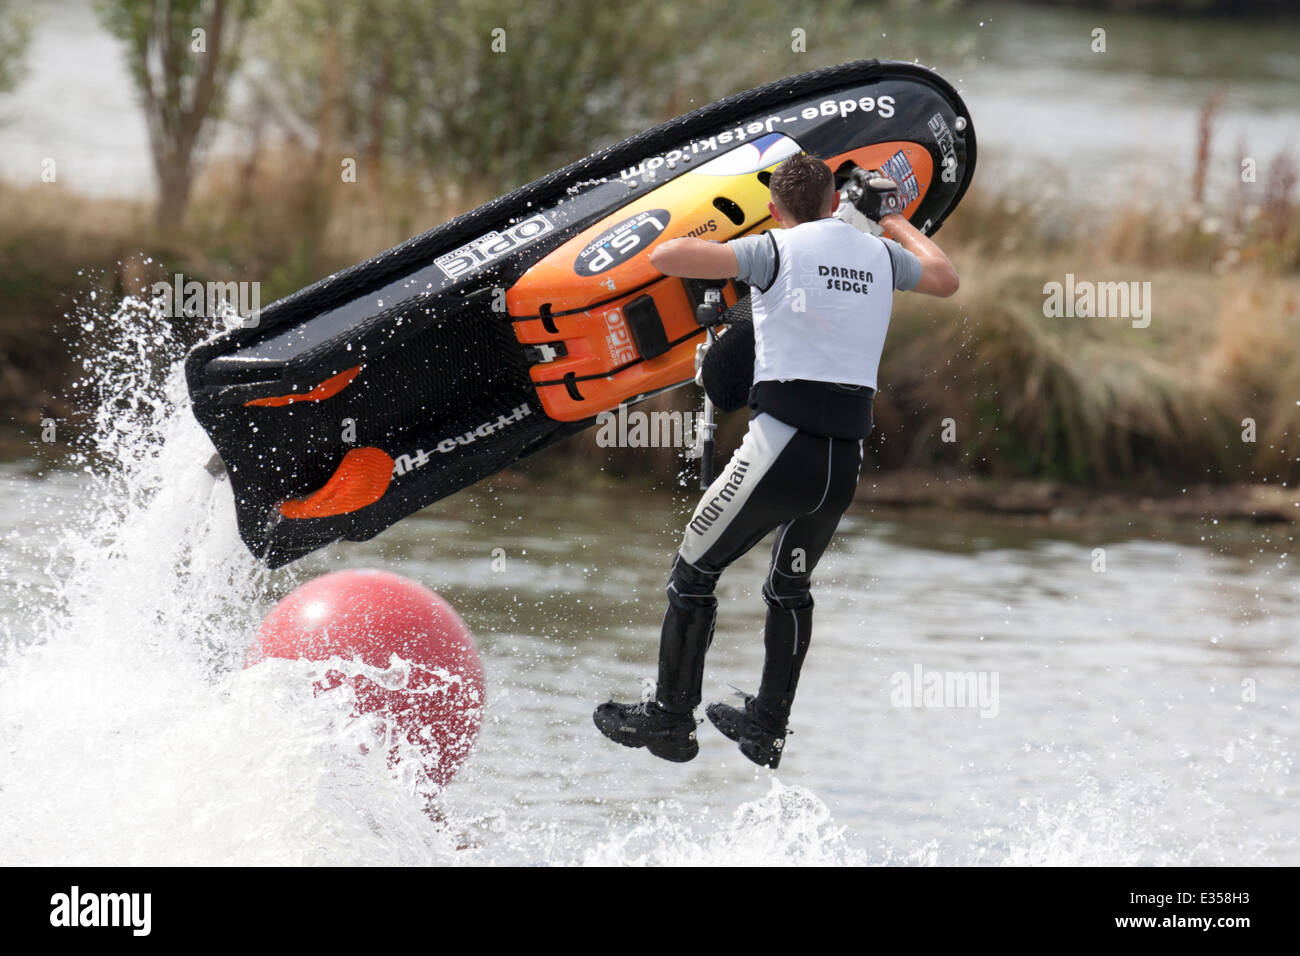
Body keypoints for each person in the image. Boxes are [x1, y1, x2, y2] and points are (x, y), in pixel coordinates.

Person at [593, 153, 959, 768]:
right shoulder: (879, 254)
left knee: (693, 573)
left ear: (776, 209)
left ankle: (670, 719)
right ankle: (766, 727)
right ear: (831, 202)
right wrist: (891, 220)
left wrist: (688, 222)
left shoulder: (775, 249)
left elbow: (665, 259)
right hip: (842, 465)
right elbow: (945, 278)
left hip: (781, 448)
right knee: (789, 587)